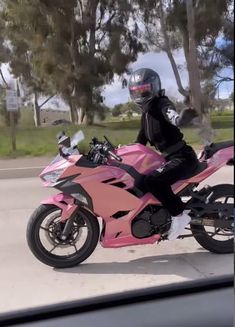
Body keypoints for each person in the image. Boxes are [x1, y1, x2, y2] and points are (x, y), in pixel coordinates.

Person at [129, 68, 199, 240]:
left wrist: (179, 120)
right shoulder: (146, 114)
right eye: (137, 91)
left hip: (182, 158)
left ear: (154, 87)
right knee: (138, 182)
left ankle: (179, 214)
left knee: (153, 181)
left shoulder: (161, 104)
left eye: (144, 89)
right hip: (168, 159)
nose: (141, 94)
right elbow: (139, 141)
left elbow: (171, 114)